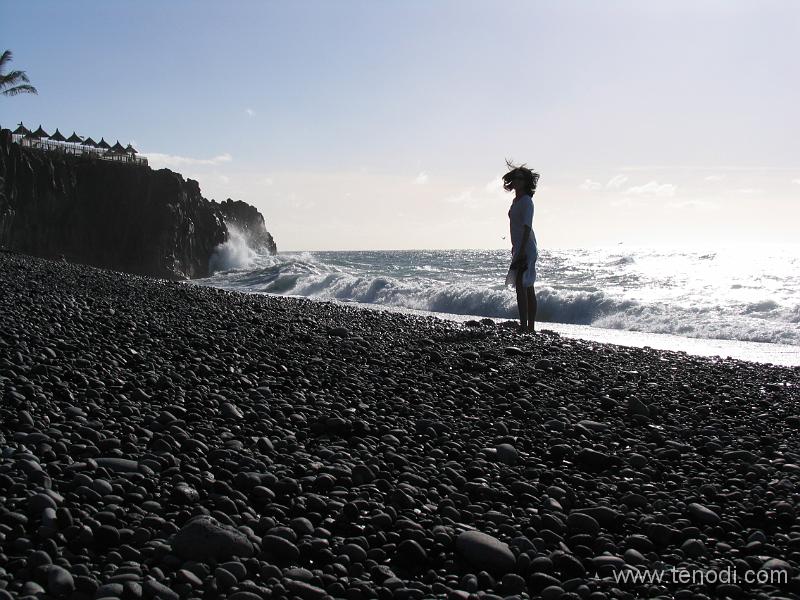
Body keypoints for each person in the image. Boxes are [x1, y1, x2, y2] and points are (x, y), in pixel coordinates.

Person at [503, 161, 539, 333]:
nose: (516, 181)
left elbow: (526, 227)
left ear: (526, 181)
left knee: (522, 285)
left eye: (520, 178)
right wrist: (515, 248)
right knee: (527, 285)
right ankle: (528, 326)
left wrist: (522, 250)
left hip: (527, 247)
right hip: (519, 247)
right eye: (515, 178)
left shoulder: (526, 202)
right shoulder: (516, 201)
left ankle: (526, 326)